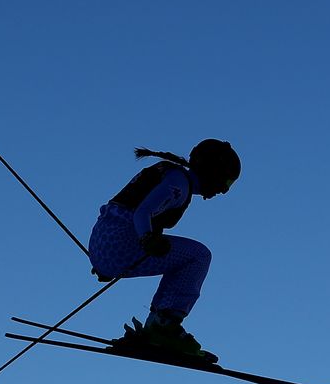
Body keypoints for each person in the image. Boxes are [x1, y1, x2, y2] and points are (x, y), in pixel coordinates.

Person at [89, 139, 240, 363]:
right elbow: (143, 212)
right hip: (123, 242)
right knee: (198, 256)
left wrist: (106, 260)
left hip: (103, 243)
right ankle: (164, 325)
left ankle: (159, 325)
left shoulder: (170, 174)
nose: (224, 191)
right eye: (227, 182)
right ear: (214, 172)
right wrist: (147, 239)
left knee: (185, 255)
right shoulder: (178, 185)